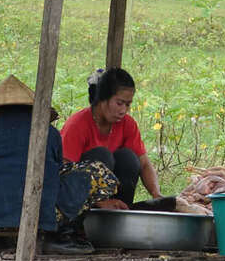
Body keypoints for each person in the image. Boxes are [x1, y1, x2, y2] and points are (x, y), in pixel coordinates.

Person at [0, 74, 118, 254]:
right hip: (34, 218)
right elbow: (54, 175)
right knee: (98, 172)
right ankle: (60, 235)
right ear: (34, 109)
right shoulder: (50, 133)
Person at [60, 68, 162, 207]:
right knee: (102, 155)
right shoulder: (77, 125)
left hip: (115, 201)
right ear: (103, 98)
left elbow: (144, 164)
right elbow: (63, 173)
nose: (123, 110)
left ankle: (121, 213)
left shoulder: (128, 124)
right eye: (119, 103)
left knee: (129, 158)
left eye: (127, 104)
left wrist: (156, 194)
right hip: (79, 203)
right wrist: (99, 203)